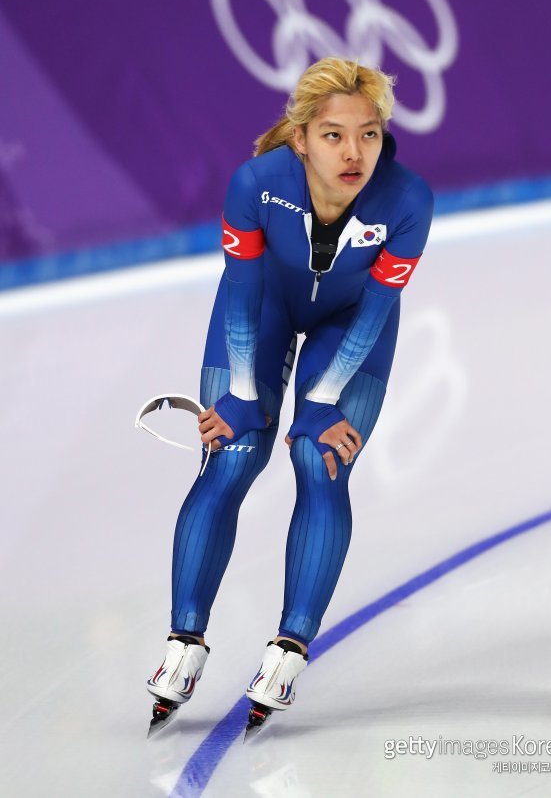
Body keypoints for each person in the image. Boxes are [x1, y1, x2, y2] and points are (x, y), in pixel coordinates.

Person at [146, 57, 434, 737]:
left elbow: (375, 308)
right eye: (334, 135)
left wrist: (324, 401)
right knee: (233, 453)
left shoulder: (408, 199)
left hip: (350, 326)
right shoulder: (256, 184)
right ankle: (183, 643)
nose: (354, 152)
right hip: (263, 311)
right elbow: (244, 291)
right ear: (300, 138)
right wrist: (243, 393)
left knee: (319, 458)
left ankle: (288, 651)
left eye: (368, 134)